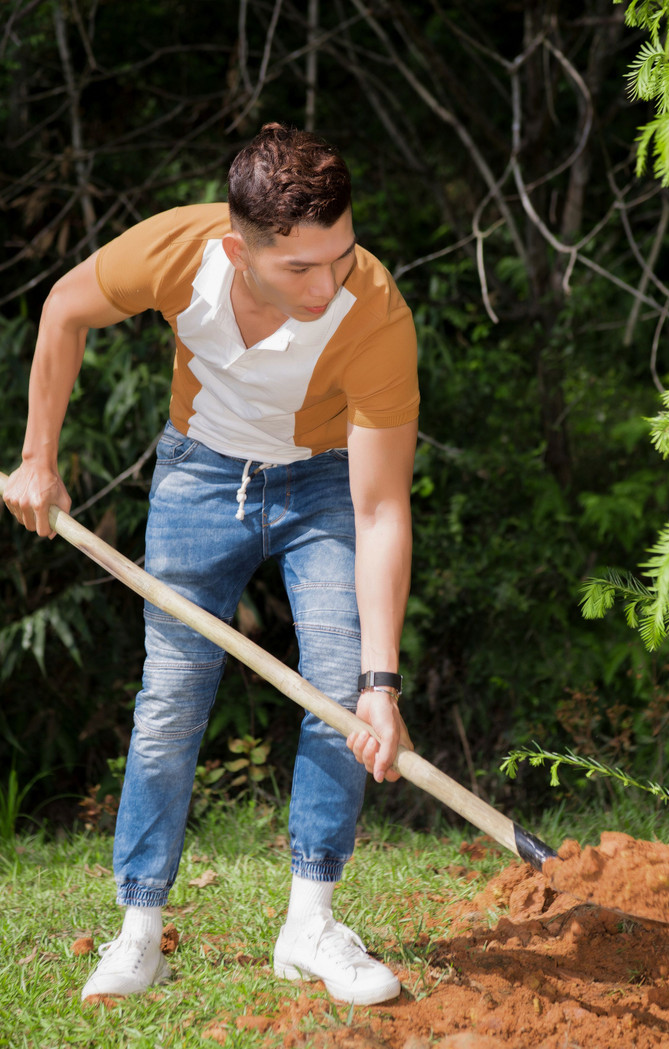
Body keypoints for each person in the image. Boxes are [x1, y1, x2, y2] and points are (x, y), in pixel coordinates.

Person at [3, 123, 419, 1007]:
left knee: (343, 693)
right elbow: (64, 307)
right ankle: (139, 931)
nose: (330, 281)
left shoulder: (374, 310)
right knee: (169, 701)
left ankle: (310, 923)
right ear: (240, 249)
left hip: (322, 489)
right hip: (197, 476)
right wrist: (39, 457)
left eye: (341, 255)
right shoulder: (183, 253)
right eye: (300, 267)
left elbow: (381, 506)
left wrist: (383, 681)